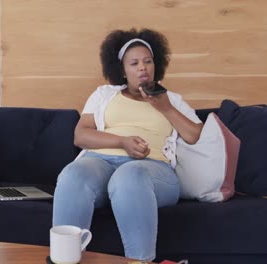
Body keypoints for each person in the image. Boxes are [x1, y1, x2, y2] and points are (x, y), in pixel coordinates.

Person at [52, 28, 203, 261]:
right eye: (134, 63)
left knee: (129, 175)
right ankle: (64, 258)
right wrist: (122, 142)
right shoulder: (104, 94)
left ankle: (140, 261)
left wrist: (165, 107)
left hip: (152, 170)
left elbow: (195, 135)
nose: (142, 67)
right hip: (100, 162)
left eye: (148, 61)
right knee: (74, 174)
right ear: (122, 71)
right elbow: (81, 135)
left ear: (156, 65)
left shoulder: (171, 100)